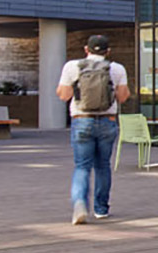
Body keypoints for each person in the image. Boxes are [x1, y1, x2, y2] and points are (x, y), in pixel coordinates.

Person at [55, 34, 129, 225]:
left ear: (86, 50)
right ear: (108, 51)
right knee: (103, 166)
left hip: (82, 120)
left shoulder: (73, 66)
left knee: (82, 166)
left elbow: (63, 95)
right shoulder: (117, 68)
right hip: (107, 121)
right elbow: (123, 97)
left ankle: (79, 202)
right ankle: (101, 209)